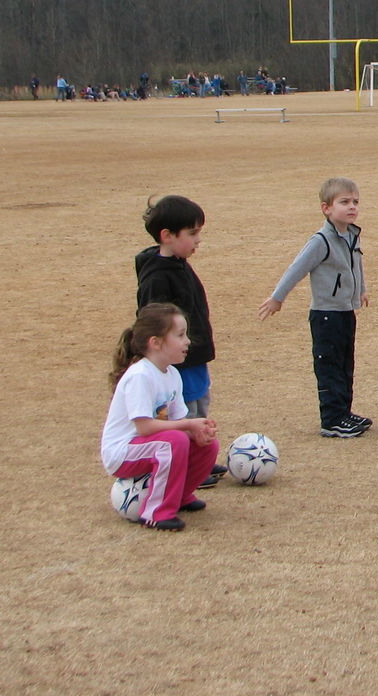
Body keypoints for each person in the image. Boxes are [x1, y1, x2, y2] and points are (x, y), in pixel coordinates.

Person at [259, 178, 371, 438]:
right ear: (326, 208)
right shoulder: (321, 240)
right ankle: (331, 419)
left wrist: (361, 290)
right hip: (326, 315)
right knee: (329, 366)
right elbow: (297, 268)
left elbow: (356, 266)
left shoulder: (352, 235)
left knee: (345, 365)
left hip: (346, 312)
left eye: (355, 202)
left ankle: (344, 412)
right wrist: (278, 297)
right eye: (344, 202)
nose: (352, 207)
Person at [100, 303, 220, 531]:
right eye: (180, 335)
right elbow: (144, 427)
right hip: (122, 452)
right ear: (155, 342)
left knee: (206, 445)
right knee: (173, 442)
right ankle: (156, 512)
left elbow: (178, 421)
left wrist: (198, 430)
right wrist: (187, 425)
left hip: (152, 445)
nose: (188, 341)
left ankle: (180, 497)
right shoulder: (140, 376)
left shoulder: (173, 374)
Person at [136, 195, 226, 489]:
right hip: (179, 361)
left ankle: (200, 455)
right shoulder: (157, 277)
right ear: (167, 236)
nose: (198, 240)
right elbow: (152, 320)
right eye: (192, 233)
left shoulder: (179, 263)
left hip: (195, 354)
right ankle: (187, 464)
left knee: (201, 402)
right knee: (185, 410)